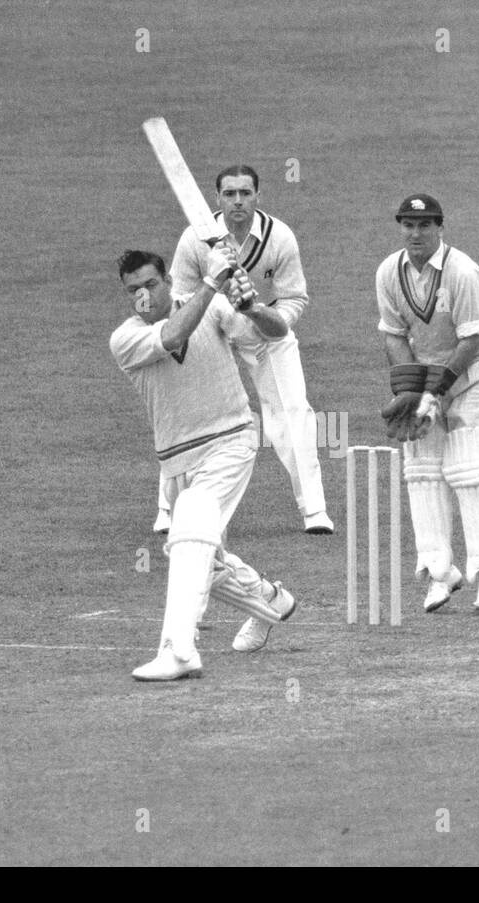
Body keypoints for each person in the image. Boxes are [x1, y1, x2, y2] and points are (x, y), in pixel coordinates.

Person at [110, 248, 297, 680]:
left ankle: (179, 650)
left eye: (151, 285)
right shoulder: (125, 338)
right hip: (176, 461)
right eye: (133, 289)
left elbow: (276, 330)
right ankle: (271, 599)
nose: (143, 295)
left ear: (168, 281)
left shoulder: (213, 306)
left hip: (230, 440)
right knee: (201, 561)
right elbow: (174, 336)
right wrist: (213, 282)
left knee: (193, 518)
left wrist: (251, 304)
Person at [154, 164, 333, 536]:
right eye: (230, 194)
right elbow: (179, 302)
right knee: (186, 410)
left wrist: (253, 308)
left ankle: (314, 510)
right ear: (217, 198)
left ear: (257, 196)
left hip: (264, 330)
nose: (238, 201)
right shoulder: (195, 239)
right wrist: (215, 293)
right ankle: (168, 510)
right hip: (209, 329)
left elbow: (293, 304)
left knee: (292, 411)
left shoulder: (279, 237)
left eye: (245, 193)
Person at [375, 194, 479, 613]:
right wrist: (410, 389)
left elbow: (471, 339)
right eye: (409, 226)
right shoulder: (388, 272)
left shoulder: (462, 271)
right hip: (427, 375)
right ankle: (438, 573)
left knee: (472, 466)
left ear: (439, 227)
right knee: (423, 470)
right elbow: (393, 333)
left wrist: (438, 393)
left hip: (474, 375)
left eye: (425, 226)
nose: (416, 234)